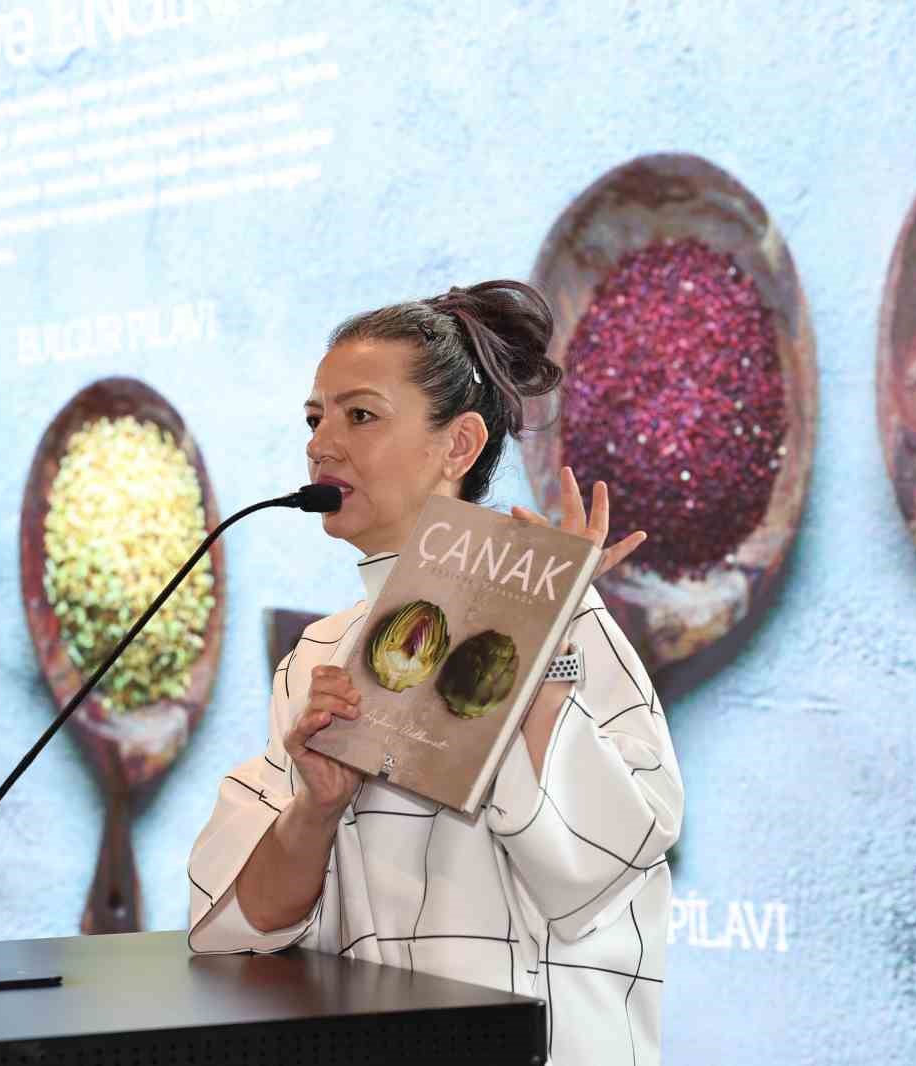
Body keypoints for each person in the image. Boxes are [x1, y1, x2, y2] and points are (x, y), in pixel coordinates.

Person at [186, 280, 684, 1065]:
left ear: (458, 445)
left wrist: (534, 649)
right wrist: (316, 806)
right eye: (314, 419)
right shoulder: (316, 656)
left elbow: (602, 868)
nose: (321, 445)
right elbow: (238, 931)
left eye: (360, 416)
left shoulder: (566, 619)